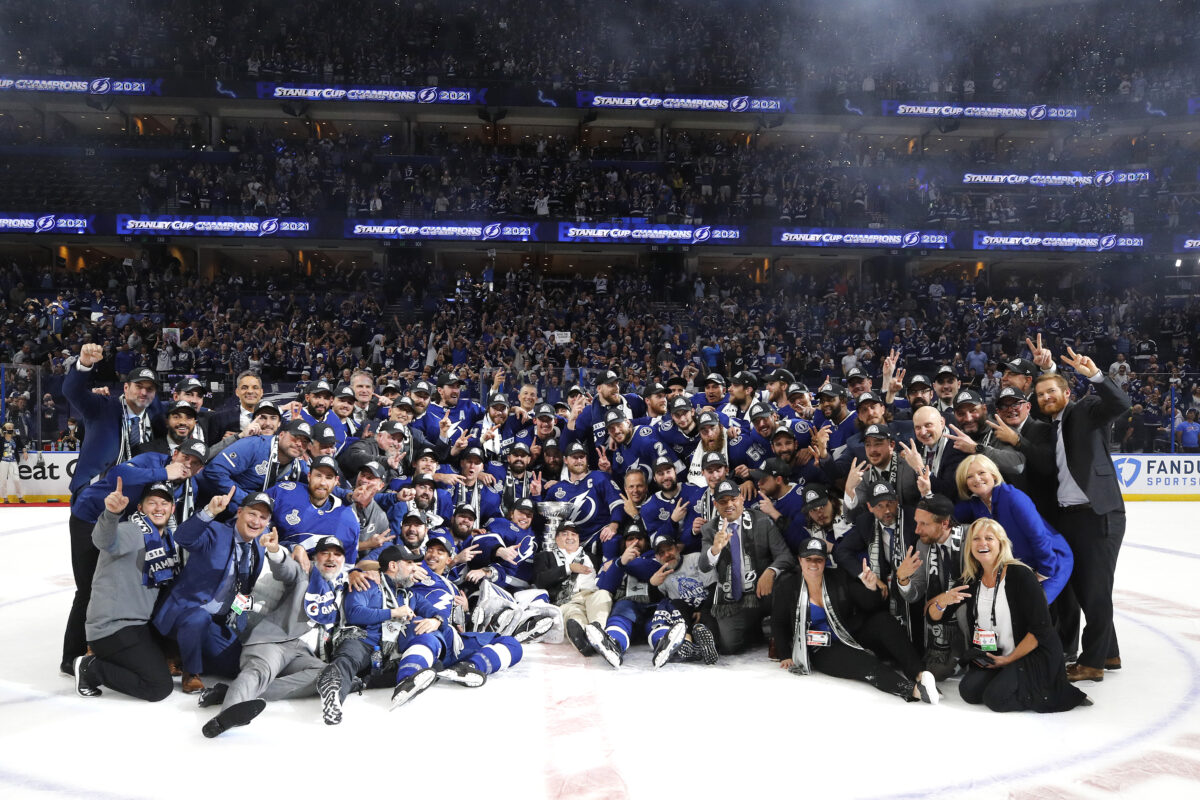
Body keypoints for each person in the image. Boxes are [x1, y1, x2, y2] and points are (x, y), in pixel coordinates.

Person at [1031, 345, 1129, 681]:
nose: (1045, 398)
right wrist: (1043, 368)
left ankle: (1092, 663)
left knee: (1095, 590)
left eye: (1052, 391)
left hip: (1097, 512)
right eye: (1041, 394)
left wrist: (1097, 376)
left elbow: (1120, 404)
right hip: (1071, 515)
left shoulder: (1086, 410)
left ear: (1067, 392)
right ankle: (1110, 653)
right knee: (1088, 588)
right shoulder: (1052, 426)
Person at [61, 345, 160, 673]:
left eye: (150, 389)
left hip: (130, 515)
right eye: (138, 386)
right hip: (92, 511)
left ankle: (105, 647)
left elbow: (192, 419)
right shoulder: (102, 406)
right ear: (126, 388)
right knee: (88, 586)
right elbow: (73, 390)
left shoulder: (153, 418)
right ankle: (72, 657)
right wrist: (84, 365)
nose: (144, 392)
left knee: (120, 584)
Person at [929, 519, 1090, 712]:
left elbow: (1041, 629)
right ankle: (1009, 677)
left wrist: (1010, 659)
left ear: (1001, 543)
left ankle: (1051, 688)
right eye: (976, 539)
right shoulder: (971, 579)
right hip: (995, 654)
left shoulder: (1020, 575)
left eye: (989, 538)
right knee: (969, 692)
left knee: (996, 699)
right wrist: (942, 602)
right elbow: (935, 617)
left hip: (1031, 654)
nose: (982, 544)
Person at [772, 536, 939, 703]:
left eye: (819, 559)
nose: (814, 564)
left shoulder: (838, 577)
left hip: (847, 632)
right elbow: (778, 623)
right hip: (821, 647)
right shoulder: (787, 587)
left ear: (825, 561)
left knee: (883, 621)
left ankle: (920, 674)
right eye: (808, 559)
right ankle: (914, 690)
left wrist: (870, 587)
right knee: (863, 662)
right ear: (800, 560)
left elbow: (870, 606)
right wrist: (785, 655)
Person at [200, 527, 329, 738]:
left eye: (337, 554)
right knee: (258, 672)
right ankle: (225, 717)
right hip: (274, 640)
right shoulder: (303, 574)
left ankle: (233, 691)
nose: (331, 558)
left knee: (325, 674)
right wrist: (276, 550)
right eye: (326, 553)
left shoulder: (343, 583)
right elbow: (285, 569)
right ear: (314, 557)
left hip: (301, 650)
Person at [153, 489, 271, 694]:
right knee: (198, 618)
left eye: (263, 517)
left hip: (216, 621)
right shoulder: (216, 531)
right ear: (240, 512)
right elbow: (182, 537)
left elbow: (242, 590)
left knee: (234, 666)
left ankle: (183, 653)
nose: (256, 521)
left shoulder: (258, 549)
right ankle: (190, 671)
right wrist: (209, 512)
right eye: (252, 513)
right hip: (186, 613)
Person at [73, 481, 180, 702]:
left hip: (137, 625)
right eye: (152, 503)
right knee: (159, 687)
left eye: (164, 502)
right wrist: (112, 514)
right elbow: (103, 540)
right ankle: (91, 668)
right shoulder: (131, 531)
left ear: (173, 509)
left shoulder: (167, 541)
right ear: (140, 508)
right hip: (112, 627)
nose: (158, 508)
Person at [953, 454, 1073, 604]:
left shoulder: (1013, 497)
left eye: (981, 473)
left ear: (993, 474)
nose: (977, 479)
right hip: (1022, 566)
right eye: (969, 476)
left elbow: (1038, 535)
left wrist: (1044, 571)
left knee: (1034, 611)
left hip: (1051, 560)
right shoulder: (975, 504)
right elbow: (948, 516)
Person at [698, 479, 792, 654]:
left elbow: (785, 555)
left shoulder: (762, 521)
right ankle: (753, 631)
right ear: (715, 504)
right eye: (723, 501)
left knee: (788, 581)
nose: (729, 504)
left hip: (764, 593)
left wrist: (771, 571)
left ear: (741, 498)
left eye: (733, 499)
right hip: (733, 599)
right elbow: (703, 566)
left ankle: (784, 636)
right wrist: (715, 549)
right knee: (729, 646)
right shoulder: (710, 530)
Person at [534, 522, 612, 656]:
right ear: (556, 539)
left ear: (579, 539)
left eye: (573, 534)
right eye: (564, 534)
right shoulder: (545, 556)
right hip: (568, 600)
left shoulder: (592, 557)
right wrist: (568, 568)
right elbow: (540, 581)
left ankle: (598, 632)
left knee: (603, 595)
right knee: (573, 616)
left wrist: (609, 567)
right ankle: (581, 639)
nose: (570, 537)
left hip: (592, 595)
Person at [0, 422, 26, 503]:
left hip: (13, 461)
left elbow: (22, 445)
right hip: (3, 461)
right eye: (8, 427)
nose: (11, 428)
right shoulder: (1, 439)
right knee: (3, 480)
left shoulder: (16, 438)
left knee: (16, 479)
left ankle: (20, 497)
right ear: (4, 429)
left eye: (12, 427)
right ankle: (5, 498)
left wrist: (25, 452)